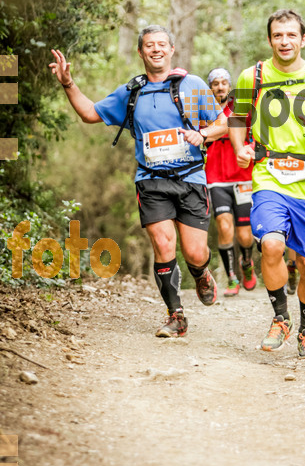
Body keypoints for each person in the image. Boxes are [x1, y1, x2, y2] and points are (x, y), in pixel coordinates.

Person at [49, 25, 227, 337]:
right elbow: (90, 113)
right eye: (149, 45)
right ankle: (176, 315)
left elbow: (223, 123)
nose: (156, 49)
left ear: (171, 50)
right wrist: (69, 84)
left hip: (190, 179)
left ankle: (200, 272)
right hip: (151, 180)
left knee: (195, 252)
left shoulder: (193, 84)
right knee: (162, 244)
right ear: (141, 52)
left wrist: (203, 134)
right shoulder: (132, 92)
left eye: (162, 44)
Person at [228, 8, 305, 359]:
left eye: (291, 35)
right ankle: (280, 318)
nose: (284, 41)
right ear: (269, 40)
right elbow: (237, 117)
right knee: (270, 244)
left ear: (303, 39)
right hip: (267, 174)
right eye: (278, 35)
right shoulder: (251, 76)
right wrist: (239, 147)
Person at [205, 67, 257, 297]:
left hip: (243, 175)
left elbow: (255, 133)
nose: (220, 87)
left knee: (245, 234)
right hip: (216, 178)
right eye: (215, 83)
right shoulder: (203, 110)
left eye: (223, 82)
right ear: (210, 88)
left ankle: (247, 263)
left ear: (229, 85)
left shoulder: (241, 108)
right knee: (225, 228)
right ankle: (231, 277)